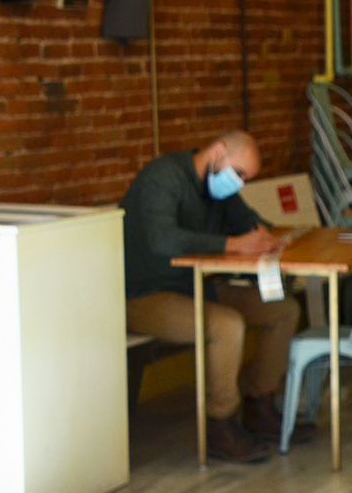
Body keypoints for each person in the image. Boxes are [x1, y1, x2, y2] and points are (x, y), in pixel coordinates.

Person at [122, 130, 313, 463]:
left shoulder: (217, 185)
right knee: (226, 325)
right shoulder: (163, 178)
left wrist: (263, 234)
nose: (238, 183)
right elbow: (161, 239)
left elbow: (245, 218)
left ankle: (259, 405)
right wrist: (235, 245)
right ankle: (220, 426)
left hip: (194, 286)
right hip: (144, 294)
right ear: (218, 152)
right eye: (238, 174)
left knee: (282, 311)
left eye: (245, 179)